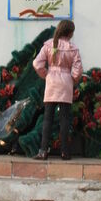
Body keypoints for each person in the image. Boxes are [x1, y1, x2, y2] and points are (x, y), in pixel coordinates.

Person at [33, 19, 83, 160]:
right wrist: (72, 79)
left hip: (51, 82)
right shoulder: (73, 48)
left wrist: (46, 74)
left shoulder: (49, 45)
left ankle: (43, 151)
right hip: (66, 82)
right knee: (65, 119)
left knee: (47, 118)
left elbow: (37, 63)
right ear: (70, 32)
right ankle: (65, 152)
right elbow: (78, 70)